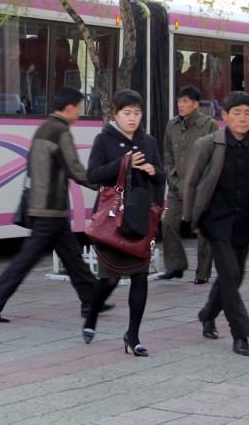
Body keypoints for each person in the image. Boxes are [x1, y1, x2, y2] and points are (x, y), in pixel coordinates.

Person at [0, 87, 103, 322]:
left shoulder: (43, 129)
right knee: (27, 259)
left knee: (72, 256)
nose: (79, 112)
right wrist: (100, 186)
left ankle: (92, 299)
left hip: (42, 203)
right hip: (50, 208)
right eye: (79, 107)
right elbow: (74, 168)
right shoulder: (60, 131)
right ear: (69, 108)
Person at [183, 91, 249, 358]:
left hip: (245, 221)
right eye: (236, 113)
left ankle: (207, 313)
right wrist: (192, 219)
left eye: (247, 113)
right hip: (216, 221)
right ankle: (241, 334)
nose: (242, 118)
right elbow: (191, 184)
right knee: (230, 276)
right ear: (225, 116)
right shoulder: (207, 145)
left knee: (233, 275)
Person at [82, 90, 165, 357]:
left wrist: (153, 171)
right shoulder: (104, 139)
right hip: (111, 219)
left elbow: (161, 178)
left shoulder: (149, 141)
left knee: (141, 277)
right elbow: (93, 174)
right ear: (115, 114)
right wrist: (123, 162)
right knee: (110, 279)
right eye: (127, 113)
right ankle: (92, 314)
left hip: (139, 218)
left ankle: (133, 336)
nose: (132, 118)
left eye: (137, 113)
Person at [160, 85, 220, 283]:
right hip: (177, 186)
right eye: (179, 101)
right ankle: (175, 266)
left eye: (185, 101)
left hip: (200, 187)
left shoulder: (209, 125)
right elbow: (167, 154)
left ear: (196, 104)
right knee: (168, 223)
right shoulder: (172, 125)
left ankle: (202, 273)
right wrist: (172, 177)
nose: (181, 105)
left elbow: (215, 157)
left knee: (202, 229)